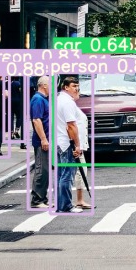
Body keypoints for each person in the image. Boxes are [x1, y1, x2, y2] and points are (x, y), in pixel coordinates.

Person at [53, 75, 83, 212]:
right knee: (67, 175)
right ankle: (66, 205)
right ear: (66, 87)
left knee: (60, 175)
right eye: (73, 86)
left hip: (59, 141)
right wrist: (77, 145)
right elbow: (71, 125)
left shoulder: (58, 100)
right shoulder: (68, 103)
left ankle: (59, 204)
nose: (76, 89)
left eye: (77, 86)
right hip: (67, 143)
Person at [29, 77, 52, 207]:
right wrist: (43, 139)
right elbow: (36, 120)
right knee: (41, 170)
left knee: (45, 171)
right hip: (41, 141)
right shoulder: (38, 99)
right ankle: (37, 200)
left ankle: (42, 198)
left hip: (45, 140)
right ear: (44, 85)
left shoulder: (43, 99)